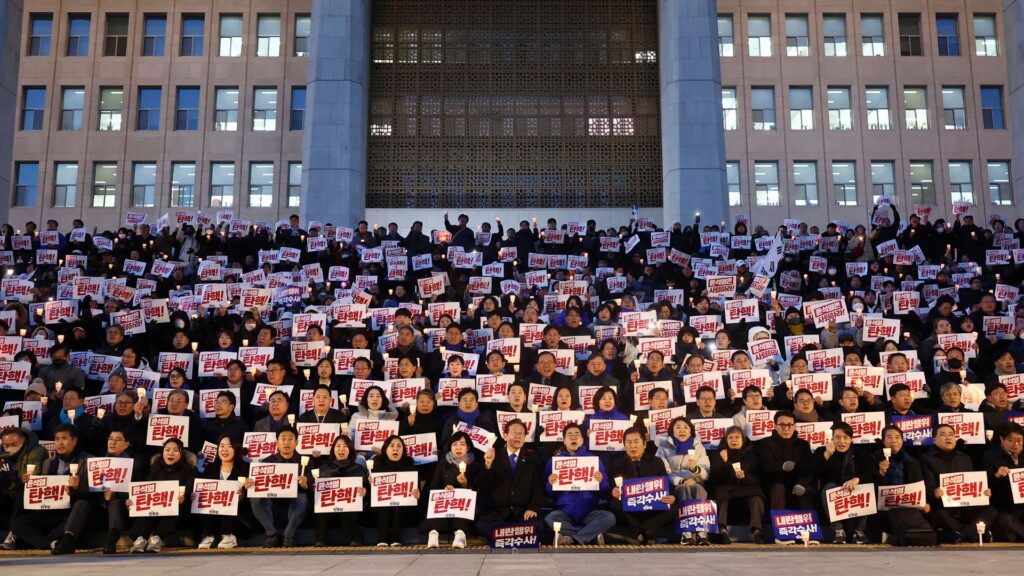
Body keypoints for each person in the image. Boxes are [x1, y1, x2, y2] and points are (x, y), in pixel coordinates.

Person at [11, 424, 92, 554]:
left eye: (64, 438)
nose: (60, 443)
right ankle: (51, 543)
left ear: (75, 441)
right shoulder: (48, 462)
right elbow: (44, 489)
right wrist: (30, 483)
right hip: (51, 510)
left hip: (72, 512)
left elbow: (91, 493)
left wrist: (77, 486)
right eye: (57, 439)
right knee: (17, 523)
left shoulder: (88, 461)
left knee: (82, 505)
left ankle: (64, 540)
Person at [920, 423, 998, 543]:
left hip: (966, 507)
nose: (948, 438)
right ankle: (975, 534)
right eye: (943, 435)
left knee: (991, 511)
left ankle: (961, 535)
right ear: (935, 439)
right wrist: (934, 493)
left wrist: (983, 492)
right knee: (937, 512)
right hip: (944, 508)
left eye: (951, 435)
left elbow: (974, 484)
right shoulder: (926, 459)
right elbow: (928, 489)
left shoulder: (965, 458)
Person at [543, 423, 615, 546]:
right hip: (564, 511)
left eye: (577, 435)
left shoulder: (594, 460)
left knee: (609, 518)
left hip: (590, 511)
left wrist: (601, 480)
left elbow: (605, 489)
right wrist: (550, 483)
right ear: (564, 440)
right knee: (550, 519)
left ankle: (571, 539)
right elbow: (548, 492)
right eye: (569, 435)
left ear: (582, 440)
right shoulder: (554, 461)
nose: (573, 437)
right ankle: (589, 536)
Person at [474, 419, 545, 536]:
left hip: (522, 512)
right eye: (514, 432)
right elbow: (481, 486)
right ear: (505, 436)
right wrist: (488, 464)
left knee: (539, 526)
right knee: (481, 525)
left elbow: (538, 488)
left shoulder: (533, 458)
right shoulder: (492, 456)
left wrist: (532, 508)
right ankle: (517, 533)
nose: (518, 436)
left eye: (521, 433)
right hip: (498, 512)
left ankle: (504, 533)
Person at [607, 427, 676, 545]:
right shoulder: (616, 464)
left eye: (636, 442)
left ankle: (639, 532)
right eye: (629, 442)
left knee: (674, 509)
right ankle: (646, 532)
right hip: (630, 510)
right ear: (624, 445)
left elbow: (668, 486)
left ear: (644, 444)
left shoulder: (657, 462)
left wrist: (672, 497)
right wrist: (613, 491)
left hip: (652, 507)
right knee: (614, 504)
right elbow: (609, 488)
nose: (633, 446)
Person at [246, 426, 310, 547]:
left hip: (295, 497)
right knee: (255, 500)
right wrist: (251, 484)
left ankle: (289, 535)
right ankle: (272, 534)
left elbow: (311, 484)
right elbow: (258, 484)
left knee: (303, 499)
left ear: (296, 442)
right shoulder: (267, 462)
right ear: (276, 443)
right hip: (272, 497)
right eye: (283, 439)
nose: (286, 442)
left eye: (291, 439)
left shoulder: (305, 461)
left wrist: (305, 483)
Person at [128, 438, 194, 554]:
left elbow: (189, 491)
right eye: (167, 450)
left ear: (181, 453)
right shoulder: (154, 468)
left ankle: (157, 538)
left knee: (175, 506)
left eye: (175, 450)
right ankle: (141, 539)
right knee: (145, 505)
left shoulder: (188, 470)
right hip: (155, 507)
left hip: (177, 509)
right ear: (162, 452)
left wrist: (184, 498)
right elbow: (145, 490)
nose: (170, 453)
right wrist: (133, 501)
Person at [810, 422, 872, 544]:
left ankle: (859, 531)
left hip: (853, 492)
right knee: (829, 487)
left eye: (845, 437)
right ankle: (838, 530)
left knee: (865, 486)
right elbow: (812, 472)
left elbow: (870, 472)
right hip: (832, 495)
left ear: (851, 440)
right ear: (831, 438)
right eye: (837, 437)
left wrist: (857, 479)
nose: (841, 441)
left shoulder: (860, 453)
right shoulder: (822, 451)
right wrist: (827, 455)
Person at [709, 426, 765, 544]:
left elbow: (757, 478)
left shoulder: (751, 454)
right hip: (726, 487)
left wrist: (744, 478)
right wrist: (725, 463)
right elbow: (715, 478)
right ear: (726, 440)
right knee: (720, 493)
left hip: (746, 486)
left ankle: (757, 531)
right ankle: (721, 530)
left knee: (757, 496)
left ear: (743, 439)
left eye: (737, 437)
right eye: (730, 437)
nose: (734, 440)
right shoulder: (720, 453)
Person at [425, 431, 479, 549]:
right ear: (450, 447)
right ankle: (433, 534)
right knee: (436, 501)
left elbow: (479, 488)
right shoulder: (443, 464)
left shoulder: (475, 465)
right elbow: (433, 486)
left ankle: (460, 534)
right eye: (454, 444)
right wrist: (444, 489)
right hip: (446, 501)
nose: (458, 447)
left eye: (462, 444)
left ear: (468, 447)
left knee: (465, 503)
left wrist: (465, 484)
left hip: (463, 504)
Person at [310, 435, 366, 547]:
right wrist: (315, 489)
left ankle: (355, 538)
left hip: (349, 506)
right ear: (333, 450)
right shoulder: (323, 469)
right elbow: (316, 492)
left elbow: (365, 490)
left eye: (345, 446)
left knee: (346, 505)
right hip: (328, 506)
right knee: (321, 506)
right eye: (338, 446)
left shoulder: (358, 468)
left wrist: (364, 492)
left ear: (350, 450)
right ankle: (320, 539)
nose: (341, 449)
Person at [195, 435, 249, 550]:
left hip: (238, 514)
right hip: (214, 514)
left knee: (228, 498)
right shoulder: (210, 468)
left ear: (236, 449)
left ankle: (228, 535)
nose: (224, 450)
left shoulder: (245, 468)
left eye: (229, 446)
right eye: (222, 446)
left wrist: (245, 490)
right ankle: (208, 536)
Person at [0, 426, 47, 551]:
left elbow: (36, 476)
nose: (9, 448)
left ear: (23, 439)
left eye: (14, 444)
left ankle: (13, 535)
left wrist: (20, 480)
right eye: (6, 444)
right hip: (7, 489)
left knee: (23, 492)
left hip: (25, 491)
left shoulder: (37, 451)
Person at [757, 410, 814, 511]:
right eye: (782, 425)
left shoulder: (803, 444)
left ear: (795, 426)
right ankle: (778, 525)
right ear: (775, 426)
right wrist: (782, 466)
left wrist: (801, 483)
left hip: (797, 481)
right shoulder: (765, 443)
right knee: (778, 489)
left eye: (790, 425)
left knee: (806, 490)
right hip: (774, 482)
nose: (786, 428)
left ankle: (808, 524)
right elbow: (766, 465)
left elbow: (807, 468)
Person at [369, 435, 420, 547]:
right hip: (381, 505)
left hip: (403, 507)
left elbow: (416, 490)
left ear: (403, 449)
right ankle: (383, 537)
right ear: (385, 449)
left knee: (399, 504)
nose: (395, 449)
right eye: (392, 446)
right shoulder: (377, 462)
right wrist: (370, 482)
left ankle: (395, 537)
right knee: (384, 504)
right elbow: (372, 493)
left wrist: (417, 494)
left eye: (399, 446)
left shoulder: (409, 463)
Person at [981, 423, 1024, 541]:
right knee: (1005, 521)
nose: (1016, 444)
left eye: (1019, 440)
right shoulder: (990, 456)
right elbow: (984, 487)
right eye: (1011, 440)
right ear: (1002, 439)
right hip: (1005, 506)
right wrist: (996, 476)